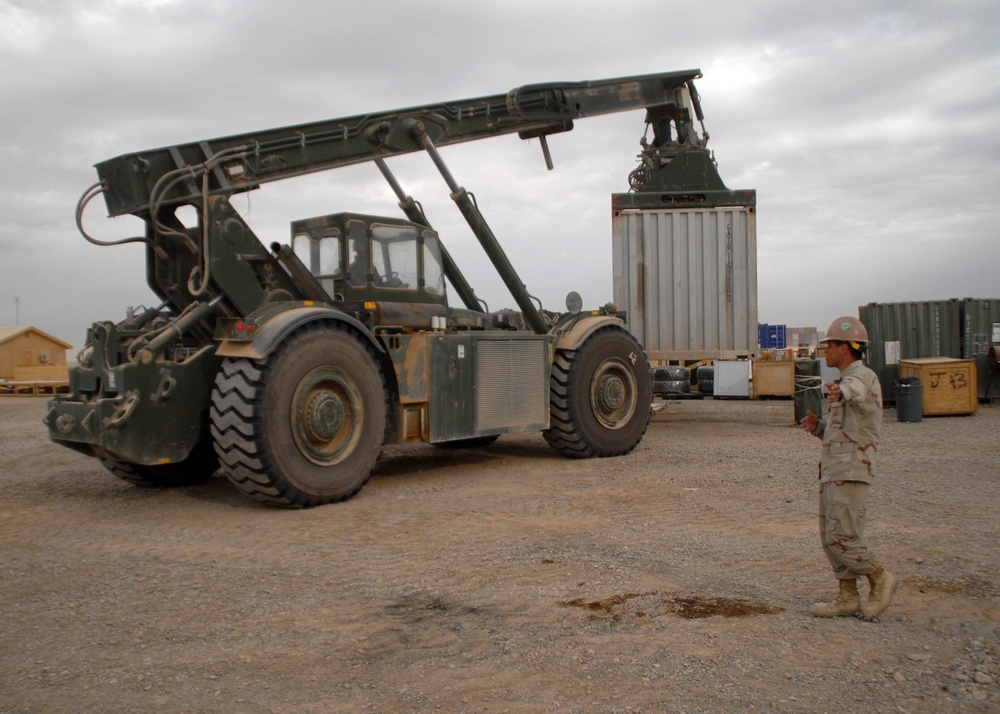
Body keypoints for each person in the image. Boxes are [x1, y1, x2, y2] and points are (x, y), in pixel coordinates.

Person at [799, 316, 897, 620]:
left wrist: (841, 392)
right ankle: (847, 596)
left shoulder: (860, 377)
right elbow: (841, 431)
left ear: (846, 347)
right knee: (830, 536)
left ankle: (880, 577)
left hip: (852, 470)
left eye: (829, 346)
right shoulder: (844, 381)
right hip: (834, 470)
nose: (825, 351)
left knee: (843, 536)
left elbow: (854, 389)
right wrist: (819, 428)